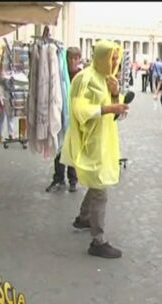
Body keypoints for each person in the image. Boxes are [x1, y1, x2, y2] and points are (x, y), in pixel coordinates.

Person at [61, 40, 130, 259]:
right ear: (102, 57)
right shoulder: (85, 78)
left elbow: (115, 114)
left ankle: (83, 218)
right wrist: (110, 106)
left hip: (105, 139)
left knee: (99, 181)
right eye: (112, 58)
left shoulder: (108, 79)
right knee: (101, 188)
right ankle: (98, 240)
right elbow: (80, 109)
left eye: (117, 59)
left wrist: (116, 94)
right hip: (90, 141)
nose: (115, 62)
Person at [46, 47, 82, 193]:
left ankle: (73, 179)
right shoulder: (61, 73)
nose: (72, 61)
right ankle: (59, 177)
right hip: (61, 113)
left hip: (75, 115)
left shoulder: (81, 76)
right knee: (59, 146)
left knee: (72, 149)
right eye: (70, 58)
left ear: (79, 59)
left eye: (75, 58)